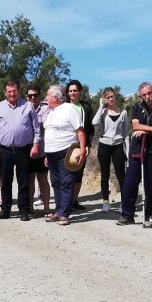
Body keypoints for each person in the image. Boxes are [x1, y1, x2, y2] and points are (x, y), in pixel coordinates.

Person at [119, 82, 152, 228]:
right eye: (144, 95)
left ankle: (149, 216)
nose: (147, 97)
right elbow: (136, 126)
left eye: (149, 93)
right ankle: (127, 215)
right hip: (137, 149)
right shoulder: (137, 107)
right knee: (130, 183)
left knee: (151, 185)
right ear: (140, 95)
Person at [0, 81, 41, 220]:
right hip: (5, 150)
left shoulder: (28, 106)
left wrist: (36, 145)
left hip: (23, 149)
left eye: (14, 91)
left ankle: (24, 210)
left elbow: (36, 129)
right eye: (9, 91)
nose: (12, 94)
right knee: (5, 181)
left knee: (23, 181)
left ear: (18, 91)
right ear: (5, 92)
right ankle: (5, 210)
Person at [42, 85, 86, 226]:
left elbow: (80, 131)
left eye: (47, 95)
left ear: (55, 97)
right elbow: (49, 133)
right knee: (55, 182)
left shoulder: (69, 109)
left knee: (66, 182)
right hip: (51, 152)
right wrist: (46, 155)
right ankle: (59, 210)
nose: (46, 97)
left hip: (65, 151)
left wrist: (83, 150)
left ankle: (64, 214)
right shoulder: (51, 111)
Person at [92, 88, 129, 212]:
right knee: (105, 175)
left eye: (112, 96)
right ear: (104, 99)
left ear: (115, 97)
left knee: (121, 176)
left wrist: (127, 150)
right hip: (104, 145)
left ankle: (123, 204)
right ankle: (106, 203)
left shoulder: (123, 113)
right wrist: (101, 106)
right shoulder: (102, 112)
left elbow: (126, 134)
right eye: (108, 97)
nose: (111, 99)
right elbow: (94, 122)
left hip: (118, 145)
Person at [65, 80, 95, 209]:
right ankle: (66, 202)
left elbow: (90, 128)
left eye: (75, 90)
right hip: (67, 145)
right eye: (70, 91)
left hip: (81, 146)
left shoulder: (86, 107)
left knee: (78, 174)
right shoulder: (64, 106)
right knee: (67, 174)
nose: (73, 93)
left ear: (80, 92)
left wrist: (89, 145)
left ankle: (74, 201)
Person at [25, 85, 52, 214]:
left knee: (43, 179)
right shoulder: (23, 108)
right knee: (29, 179)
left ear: (39, 96)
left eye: (35, 95)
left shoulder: (46, 109)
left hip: (42, 149)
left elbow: (45, 124)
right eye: (30, 95)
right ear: (26, 97)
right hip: (27, 149)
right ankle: (30, 207)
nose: (33, 98)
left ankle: (47, 207)